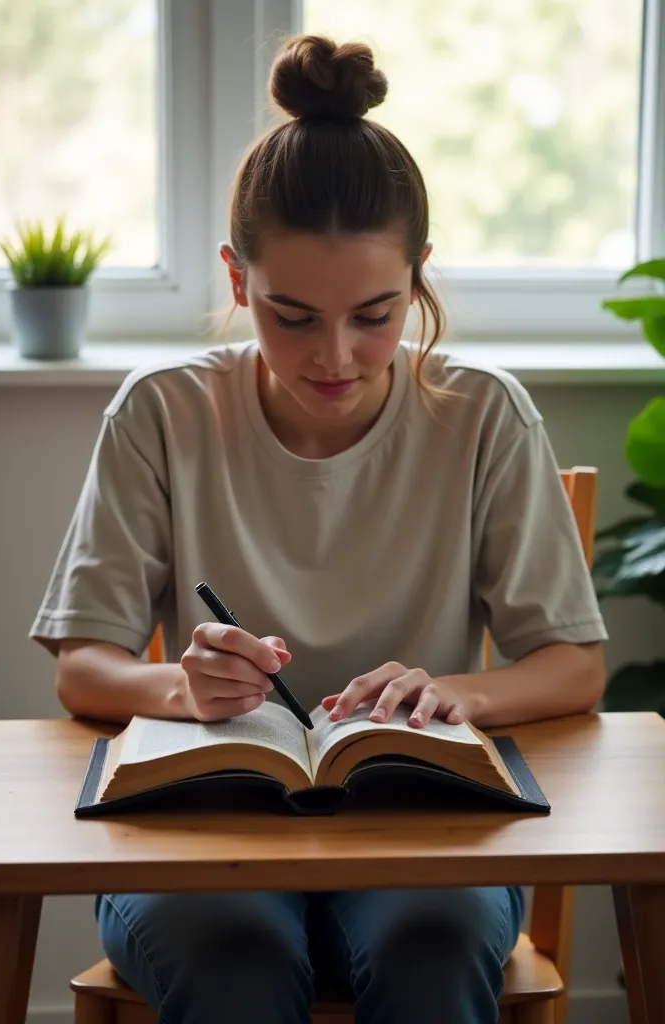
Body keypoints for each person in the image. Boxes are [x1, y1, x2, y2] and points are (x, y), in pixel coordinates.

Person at [30, 34, 607, 1024]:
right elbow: (83, 667)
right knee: (232, 963)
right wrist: (184, 682)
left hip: (420, 834)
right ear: (235, 275)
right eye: (291, 316)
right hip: (206, 829)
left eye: (376, 314)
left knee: (433, 951)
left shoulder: (483, 415)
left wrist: (448, 689)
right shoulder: (161, 412)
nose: (336, 356)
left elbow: (572, 666)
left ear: (420, 273)